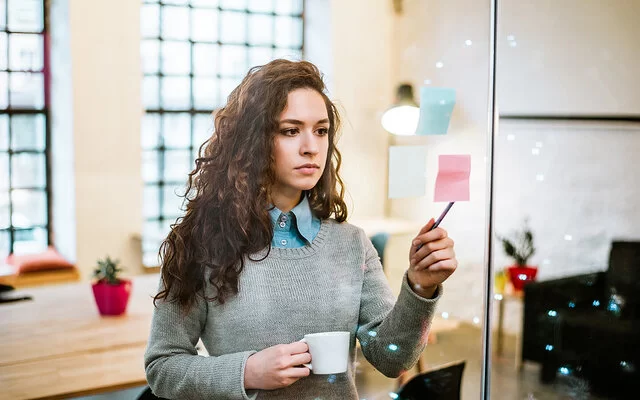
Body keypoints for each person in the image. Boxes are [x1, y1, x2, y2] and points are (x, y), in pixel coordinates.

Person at [144, 59, 457, 400]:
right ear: (254, 140)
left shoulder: (351, 244)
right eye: (290, 130)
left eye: (321, 130)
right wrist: (246, 372)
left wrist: (420, 287)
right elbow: (163, 367)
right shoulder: (202, 245)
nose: (311, 147)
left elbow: (392, 358)